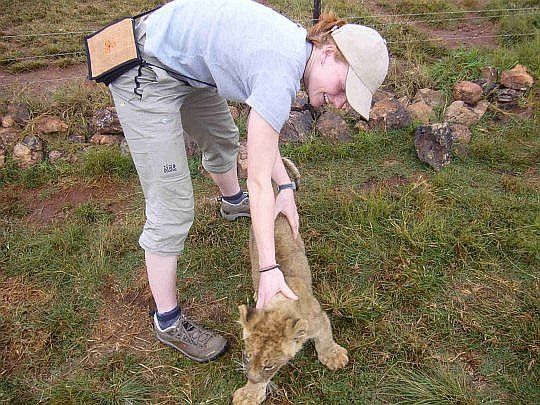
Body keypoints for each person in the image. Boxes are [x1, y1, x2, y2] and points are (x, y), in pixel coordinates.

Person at [108, 0, 389, 363]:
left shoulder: (294, 50)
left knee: (224, 139)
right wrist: (269, 269)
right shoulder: (279, 73)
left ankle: (231, 201)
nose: (337, 102)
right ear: (329, 53)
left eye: (346, 99)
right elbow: (259, 179)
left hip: (188, 67)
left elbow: (262, 139)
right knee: (172, 206)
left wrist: (285, 188)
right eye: (342, 88)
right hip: (146, 69)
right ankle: (168, 321)